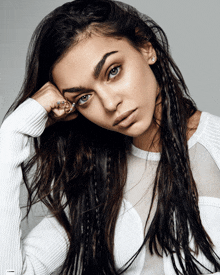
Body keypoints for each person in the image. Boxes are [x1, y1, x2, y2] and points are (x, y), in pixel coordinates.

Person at [0, 0, 220, 274]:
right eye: (83, 97)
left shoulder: (215, 144)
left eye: (113, 71)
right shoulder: (95, 188)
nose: (108, 103)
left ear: (146, 48)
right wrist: (12, 133)